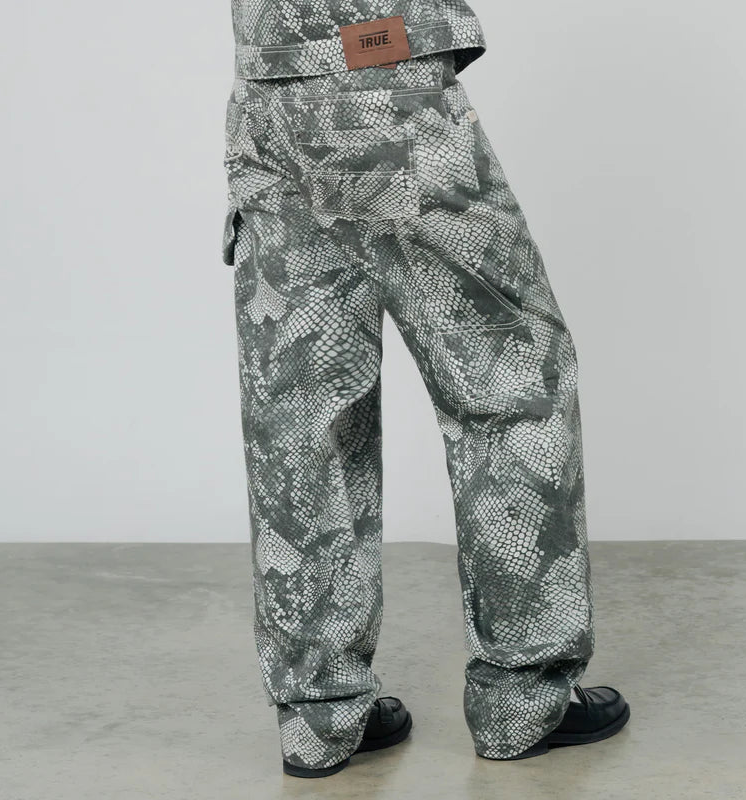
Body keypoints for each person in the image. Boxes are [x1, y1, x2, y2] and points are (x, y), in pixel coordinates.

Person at [220, 0, 630, 779]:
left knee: (304, 413)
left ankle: (319, 718)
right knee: (511, 381)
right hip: (386, 84)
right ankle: (522, 700)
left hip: (267, 99)